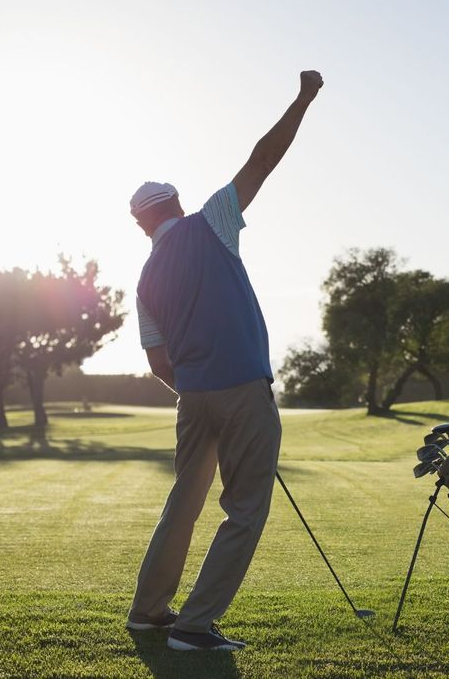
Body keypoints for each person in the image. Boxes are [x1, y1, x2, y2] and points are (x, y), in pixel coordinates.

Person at [125, 70, 324, 651]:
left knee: (182, 504)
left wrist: (197, 389)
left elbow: (158, 362)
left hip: (194, 398)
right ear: (178, 204)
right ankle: (193, 625)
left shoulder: (143, 281)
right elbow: (264, 158)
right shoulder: (209, 224)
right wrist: (303, 99)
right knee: (243, 512)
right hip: (241, 389)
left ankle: (149, 611)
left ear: (142, 224)